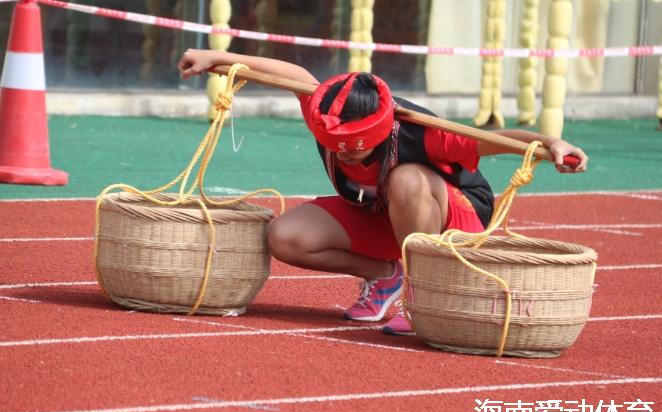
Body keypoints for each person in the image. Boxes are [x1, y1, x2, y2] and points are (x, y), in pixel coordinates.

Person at [177, 49, 589, 335]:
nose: (345, 155)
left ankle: (420, 295)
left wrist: (552, 143)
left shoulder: (424, 134)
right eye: (337, 147)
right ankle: (386, 276)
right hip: (384, 215)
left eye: (354, 149)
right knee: (284, 236)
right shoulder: (326, 109)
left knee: (406, 179)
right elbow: (295, 75)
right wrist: (216, 59)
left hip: (453, 218)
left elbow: (497, 141)